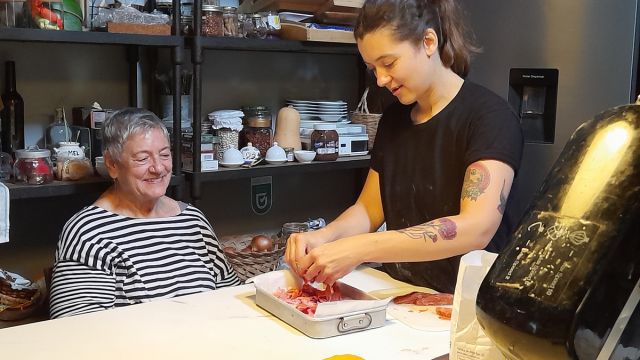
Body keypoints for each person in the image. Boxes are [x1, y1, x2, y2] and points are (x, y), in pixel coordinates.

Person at [285, 0, 524, 293]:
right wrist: (324, 236)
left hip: (466, 304)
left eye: (389, 63)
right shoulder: (394, 119)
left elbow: (477, 228)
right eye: (373, 69)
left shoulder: (489, 117)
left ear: (428, 41)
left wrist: (361, 248)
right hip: (403, 295)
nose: (381, 80)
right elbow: (368, 210)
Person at [49, 108, 240, 319]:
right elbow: (76, 331)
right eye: (142, 159)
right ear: (112, 164)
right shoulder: (88, 233)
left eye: (165, 155)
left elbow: (230, 296)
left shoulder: (192, 220)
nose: (158, 168)